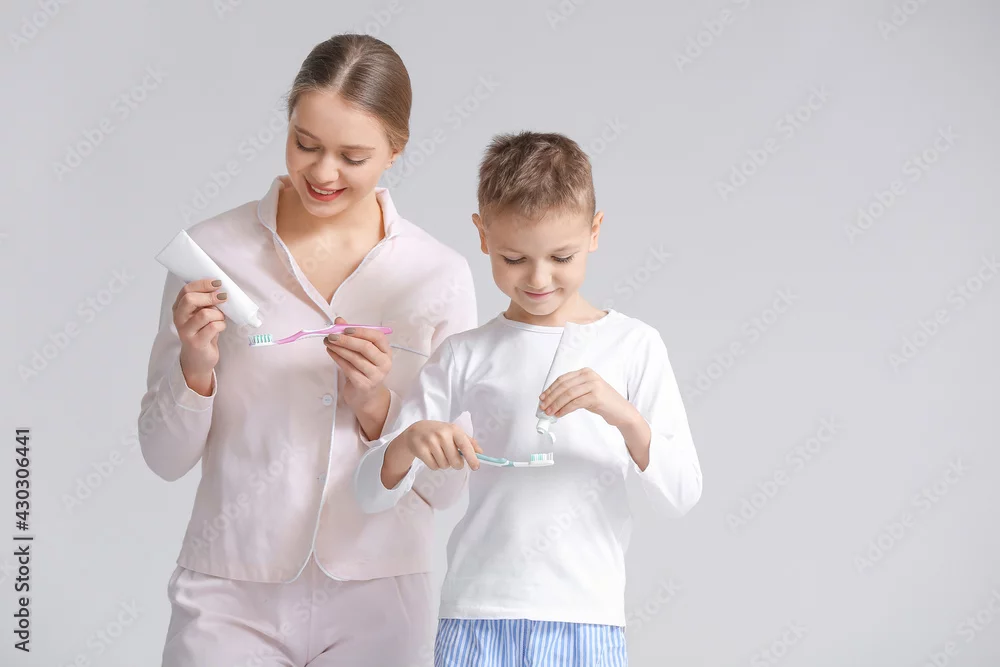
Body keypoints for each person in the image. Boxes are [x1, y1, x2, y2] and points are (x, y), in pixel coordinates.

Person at [137, 34, 477, 667]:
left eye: (353, 156)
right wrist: (196, 366)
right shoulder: (214, 255)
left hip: (379, 596)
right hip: (230, 587)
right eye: (306, 143)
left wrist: (375, 407)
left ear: (396, 150)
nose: (322, 173)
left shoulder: (439, 276)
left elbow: (446, 489)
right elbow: (162, 456)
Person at [354, 131, 703, 666]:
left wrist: (623, 415)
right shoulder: (465, 352)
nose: (538, 279)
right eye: (514, 257)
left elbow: (681, 494)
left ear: (594, 232)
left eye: (561, 256)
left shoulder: (634, 345)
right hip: (476, 617)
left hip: (585, 620)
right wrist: (408, 442)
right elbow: (369, 493)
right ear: (483, 235)